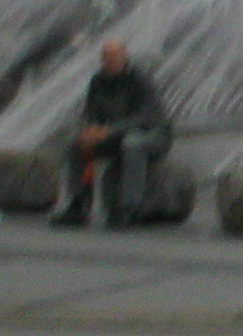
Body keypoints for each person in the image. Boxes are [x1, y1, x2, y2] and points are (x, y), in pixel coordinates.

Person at [52, 39, 171, 228]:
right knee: (78, 145)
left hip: (152, 135)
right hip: (114, 136)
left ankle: (130, 209)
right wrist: (89, 130)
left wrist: (108, 131)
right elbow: (91, 112)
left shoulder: (141, 81)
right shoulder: (97, 81)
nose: (109, 63)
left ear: (124, 57)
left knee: (132, 144)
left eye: (113, 58)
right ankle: (79, 203)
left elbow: (144, 118)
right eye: (105, 59)